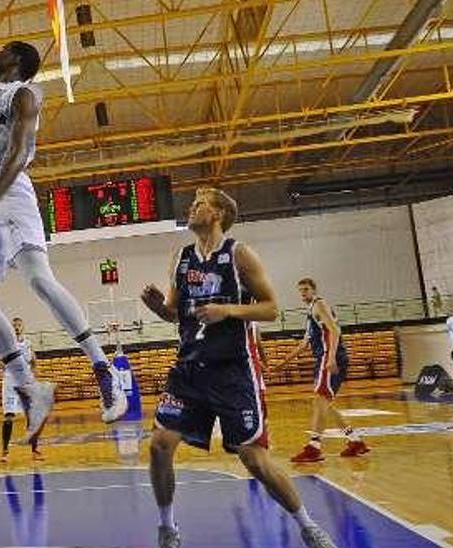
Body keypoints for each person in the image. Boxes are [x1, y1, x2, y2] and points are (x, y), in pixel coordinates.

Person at [0, 5, 126, 437]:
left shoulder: (25, 96)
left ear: (15, 61)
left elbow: (18, 154)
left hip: (9, 191)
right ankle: (29, 387)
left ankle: (101, 367)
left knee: (37, 278)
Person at [139, 189, 335, 548]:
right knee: (159, 446)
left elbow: (271, 308)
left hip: (233, 370)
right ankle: (167, 528)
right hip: (189, 369)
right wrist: (158, 308)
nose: (192, 208)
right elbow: (175, 313)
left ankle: (307, 526)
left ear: (217, 215)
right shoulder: (181, 258)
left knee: (254, 460)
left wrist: (227, 310)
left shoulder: (239, 254)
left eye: (199, 204)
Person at [282, 279, 368, 463]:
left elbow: (335, 331)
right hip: (325, 357)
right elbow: (305, 343)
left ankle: (314, 447)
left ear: (314, 291)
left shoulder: (319, 305)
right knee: (325, 404)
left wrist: (330, 358)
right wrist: (283, 362)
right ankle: (355, 441)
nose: (303, 293)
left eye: (306, 290)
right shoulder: (310, 311)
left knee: (320, 402)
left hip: (329, 357)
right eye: (301, 291)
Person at [0, 317, 41, 463]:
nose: (17, 327)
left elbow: (35, 362)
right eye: (14, 325)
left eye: (19, 325)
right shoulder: (6, 343)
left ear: (23, 327)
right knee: (9, 417)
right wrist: (2, 365)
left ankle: (35, 450)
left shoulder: (28, 343)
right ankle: (5, 451)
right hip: (10, 383)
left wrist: (33, 375)